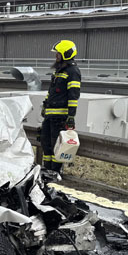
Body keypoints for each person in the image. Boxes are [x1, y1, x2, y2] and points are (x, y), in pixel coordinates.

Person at [40, 40, 81, 175]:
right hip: (50, 115)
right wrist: (45, 105)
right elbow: (51, 91)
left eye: (58, 53)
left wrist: (71, 116)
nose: (56, 56)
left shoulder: (72, 72)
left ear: (66, 54)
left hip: (60, 117)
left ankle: (55, 172)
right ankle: (47, 170)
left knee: (56, 146)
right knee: (46, 143)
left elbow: (73, 96)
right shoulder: (58, 71)